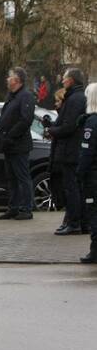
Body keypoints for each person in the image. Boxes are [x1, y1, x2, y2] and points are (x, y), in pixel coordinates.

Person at [48, 68, 89, 235]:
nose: (62, 81)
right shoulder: (75, 98)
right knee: (76, 188)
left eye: (64, 78)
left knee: (72, 188)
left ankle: (74, 222)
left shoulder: (74, 99)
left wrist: (52, 131)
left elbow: (69, 126)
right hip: (72, 150)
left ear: (71, 80)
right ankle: (78, 222)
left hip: (70, 151)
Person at [0, 67, 36, 220]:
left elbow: (25, 120)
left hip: (19, 145)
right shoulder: (12, 96)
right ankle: (13, 207)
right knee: (11, 178)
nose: (7, 79)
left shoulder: (25, 96)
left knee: (22, 177)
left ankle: (26, 208)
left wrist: (10, 135)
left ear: (17, 80)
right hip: (9, 145)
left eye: (9, 77)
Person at [77, 83, 97, 263]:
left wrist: (79, 173)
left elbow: (87, 152)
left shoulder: (91, 123)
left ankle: (95, 251)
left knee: (93, 211)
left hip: (93, 177)